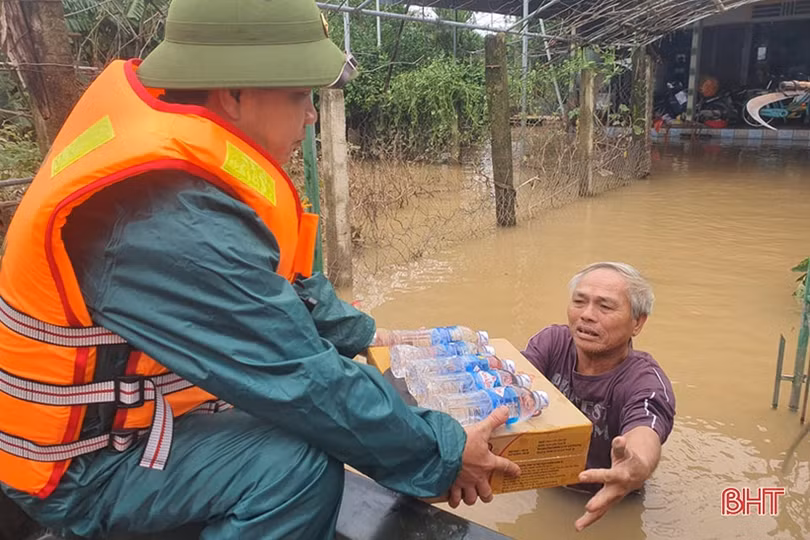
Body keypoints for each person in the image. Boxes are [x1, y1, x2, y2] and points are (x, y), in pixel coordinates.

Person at [0, 1, 520, 538]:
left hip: (125, 427)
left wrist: (370, 336)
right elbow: (301, 379)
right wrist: (442, 452)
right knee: (296, 470)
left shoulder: (179, 158)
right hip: (84, 467)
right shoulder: (165, 210)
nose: (311, 115)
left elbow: (278, 291)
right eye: (299, 96)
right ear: (234, 93)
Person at [522, 262, 675, 532]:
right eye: (579, 302)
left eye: (605, 306)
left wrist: (635, 467)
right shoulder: (552, 344)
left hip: (614, 501)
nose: (587, 315)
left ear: (637, 322)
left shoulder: (645, 381)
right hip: (549, 486)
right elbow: (513, 383)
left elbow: (645, 431)